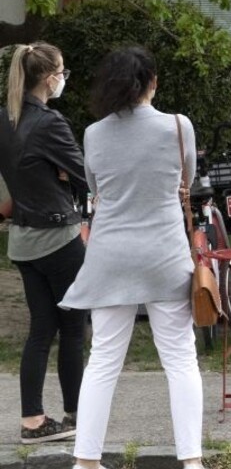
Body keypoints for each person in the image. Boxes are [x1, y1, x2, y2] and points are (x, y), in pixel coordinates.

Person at [59, 47, 202, 469]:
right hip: (164, 254)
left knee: (103, 359)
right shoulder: (178, 127)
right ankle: (191, 461)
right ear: (152, 82)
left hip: (109, 256)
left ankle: (85, 461)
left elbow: (94, 186)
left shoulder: (93, 133)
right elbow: (186, 180)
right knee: (180, 358)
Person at [0, 43, 86, 445]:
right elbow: (87, 175)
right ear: (50, 77)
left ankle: (32, 419)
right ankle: (77, 413)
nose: (64, 78)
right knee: (73, 328)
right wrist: (65, 177)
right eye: (63, 71)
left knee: (40, 330)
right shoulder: (50, 123)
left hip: (21, 239)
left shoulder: (6, 119)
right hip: (57, 237)